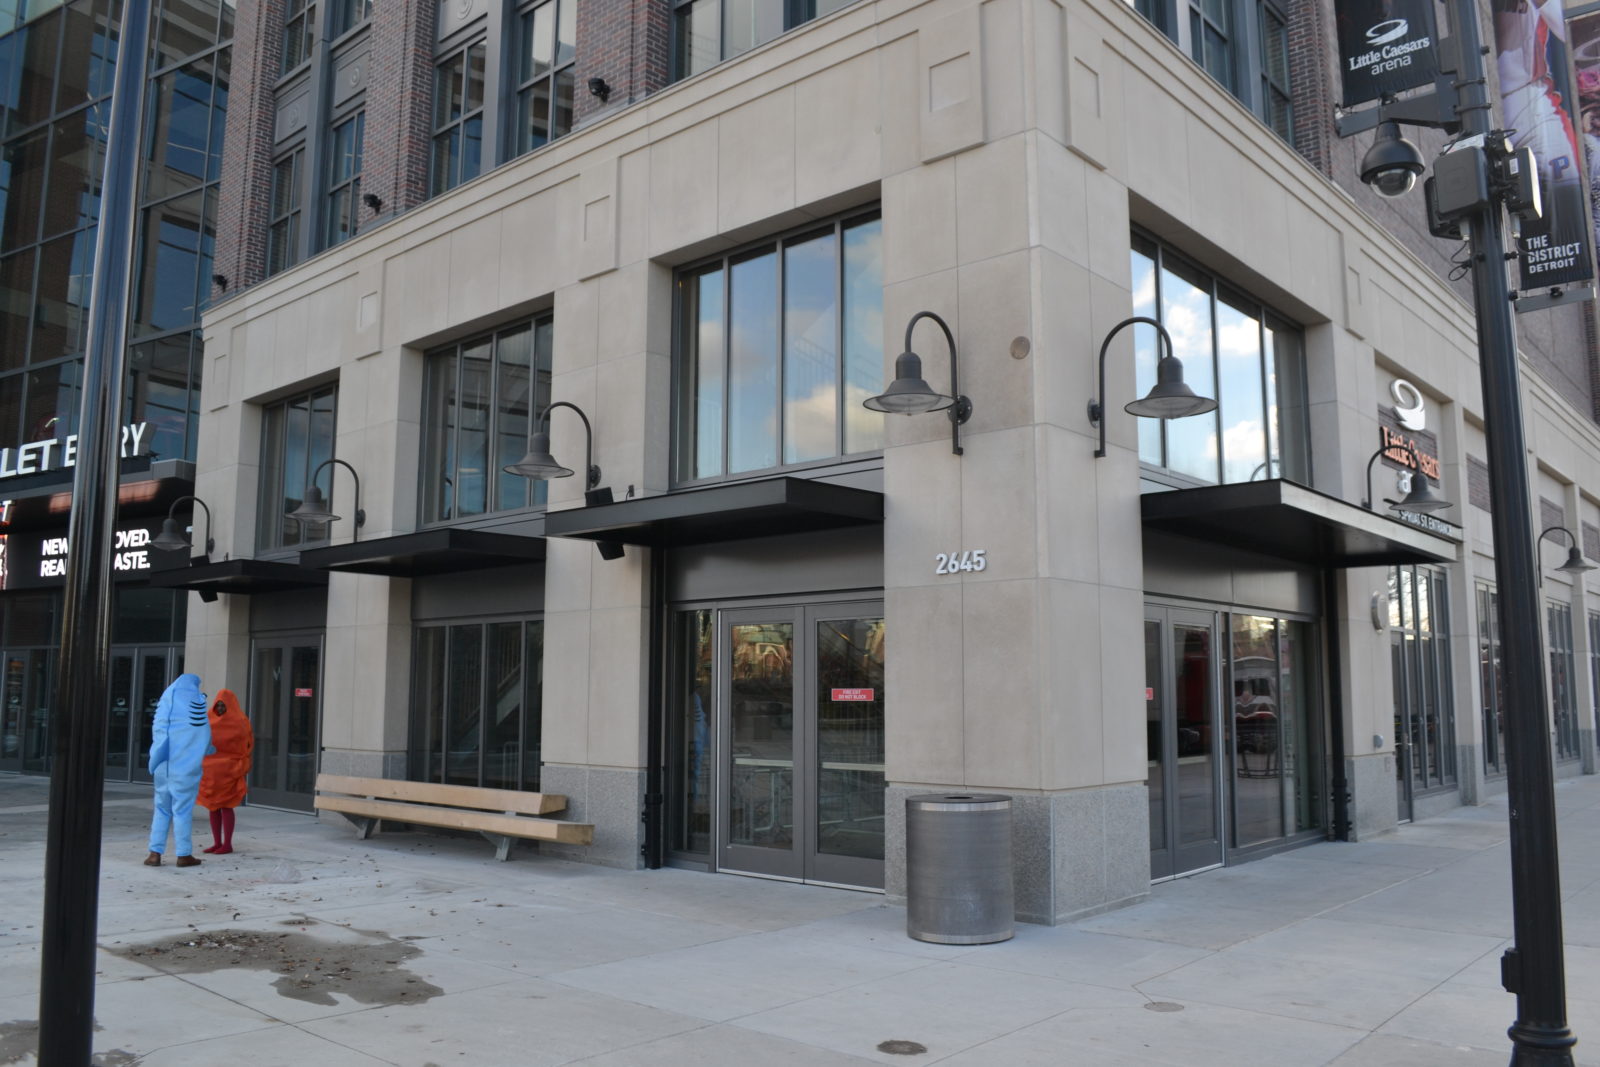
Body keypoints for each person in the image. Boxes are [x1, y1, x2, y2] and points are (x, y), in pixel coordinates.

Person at [145, 673, 212, 868]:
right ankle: (183, 854)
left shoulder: (165, 709)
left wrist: (155, 760)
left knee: (161, 809)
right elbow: (205, 741)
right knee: (182, 811)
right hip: (186, 770)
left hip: (162, 767)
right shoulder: (197, 713)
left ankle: (154, 853)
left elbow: (160, 736)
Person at [198, 688, 253, 854]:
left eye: (224, 706)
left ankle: (227, 843)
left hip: (229, 772)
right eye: (218, 705)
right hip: (211, 772)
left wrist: (239, 765)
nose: (220, 709)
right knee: (213, 807)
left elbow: (247, 745)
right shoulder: (208, 719)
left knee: (226, 807)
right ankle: (217, 842)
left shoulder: (240, 722)